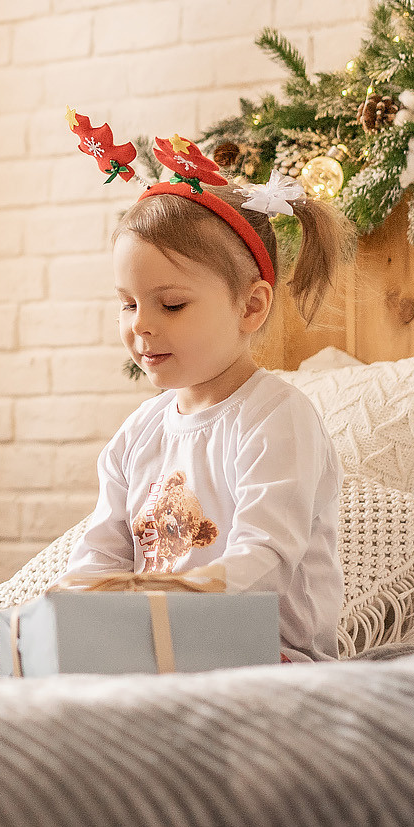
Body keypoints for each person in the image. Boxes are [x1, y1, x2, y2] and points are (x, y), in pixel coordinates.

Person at [61, 140, 352, 661]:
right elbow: (102, 551)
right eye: (127, 304)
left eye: (171, 304)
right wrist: (64, 613)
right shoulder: (139, 432)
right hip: (160, 648)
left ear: (251, 306)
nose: (140, 325)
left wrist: (159, 607)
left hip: (270, 655)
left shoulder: (276, 417)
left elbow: (264, 560)